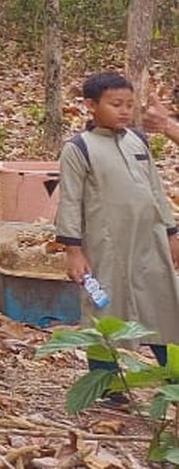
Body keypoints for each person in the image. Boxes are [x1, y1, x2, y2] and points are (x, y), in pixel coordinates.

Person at [55, 71, 179, 390]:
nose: (124, 111)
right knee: (102, 307)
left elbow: (155, 189)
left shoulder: (137, 140)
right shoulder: (79, 148)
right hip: (103, 249)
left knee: (162, 303)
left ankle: (173, 377)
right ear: (91, 106)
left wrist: (171, 232)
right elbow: (70, 201)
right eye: (115, 104)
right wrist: (73, 251)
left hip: (148, 244)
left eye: (129, 104)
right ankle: (106, 385)